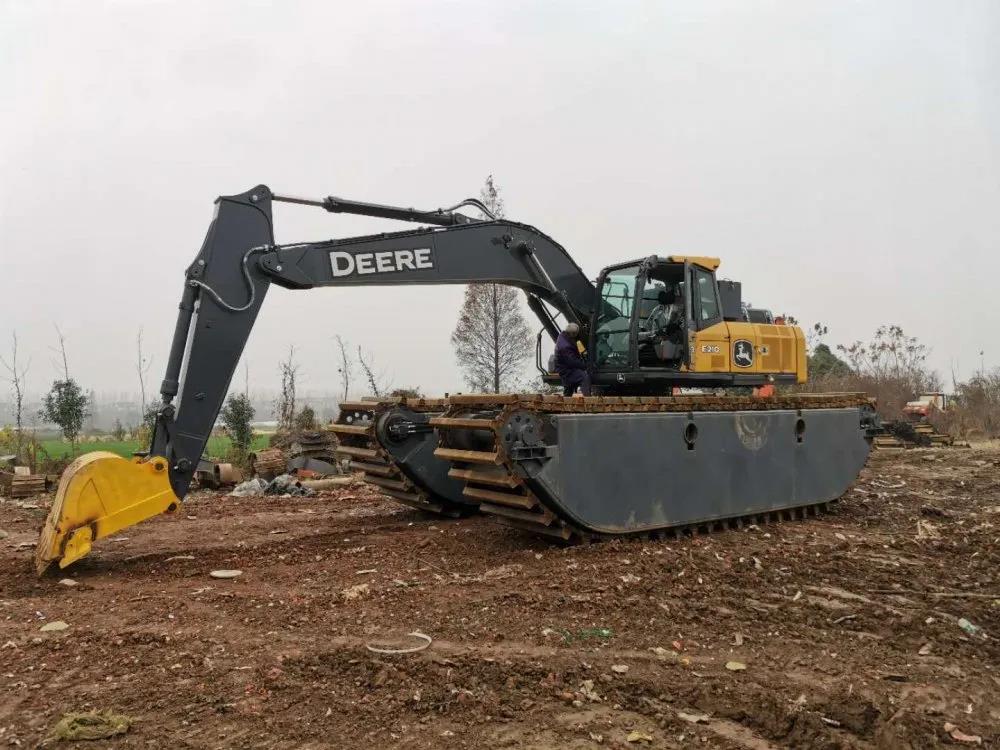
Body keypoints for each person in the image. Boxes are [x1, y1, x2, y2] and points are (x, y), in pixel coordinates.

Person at [554, 322, 592, 396]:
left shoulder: (564, 337)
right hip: (566, 370)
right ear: (572, 334)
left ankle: (566, 403)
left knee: (569, 387)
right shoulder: (565, 346)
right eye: (576, 334)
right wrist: (585, 365)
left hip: (564, 367)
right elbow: (572, 361)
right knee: (584, 377)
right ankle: (588, 401)